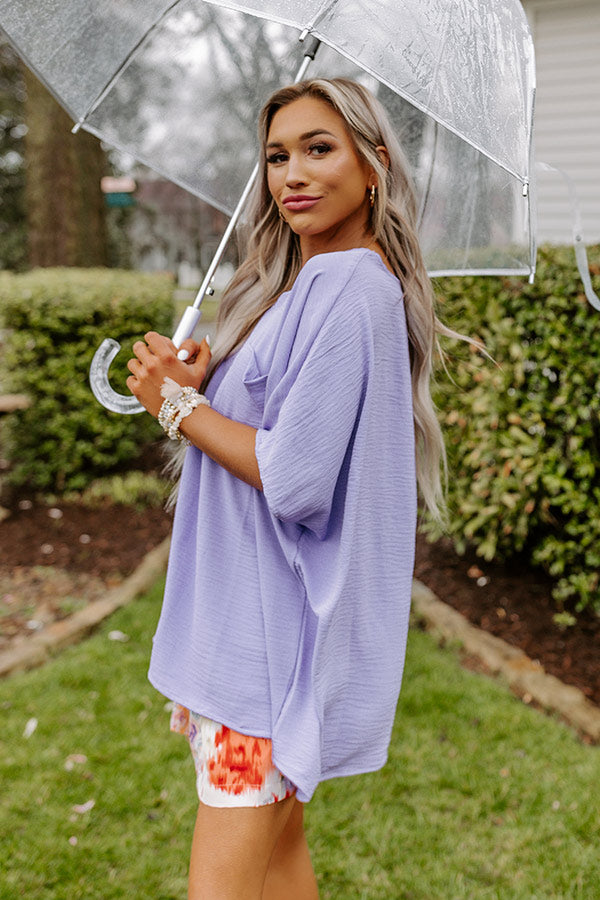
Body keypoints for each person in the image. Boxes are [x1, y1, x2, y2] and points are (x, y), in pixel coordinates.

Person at [126, 77, 449, 900]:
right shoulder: (312, 283)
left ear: (373, 166)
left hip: (264, 644)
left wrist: (176, 405)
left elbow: (294, 476)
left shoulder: (350, 286)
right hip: (252, 628)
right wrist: (210, 380)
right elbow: (286, 423)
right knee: (277, 860)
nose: (293, 174)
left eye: (319, 149)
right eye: (276, 156)